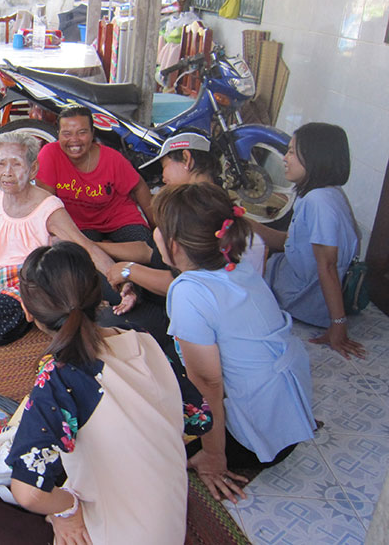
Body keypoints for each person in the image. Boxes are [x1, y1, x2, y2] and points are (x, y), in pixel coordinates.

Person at [0, 241, 187, 545]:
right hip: (165, 527)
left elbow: (29, 491)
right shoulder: (141, 339)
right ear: (98, 295)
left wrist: (68, 510)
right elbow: (198, 419)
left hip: (110, 533)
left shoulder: (60, 376)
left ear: (26, 310)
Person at [154, 182, 315, 503]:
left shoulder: (189, 291)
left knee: (147, 386)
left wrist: (215, 457)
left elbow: (207, 381)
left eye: (157, 229)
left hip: (249, 442)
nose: (154, 234)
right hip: (288, 422)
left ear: (174, 245)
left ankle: (210, 451)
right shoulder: (236, 264)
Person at [0, 131, 133, 346]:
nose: (8, 173)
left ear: (33, 169)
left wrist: (122, 281)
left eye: (17, 164)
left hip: (30, 283)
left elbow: (85, 246)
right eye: (1, 164)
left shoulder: (48, 206)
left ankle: (33, 314)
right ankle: (5, 312)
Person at [107, 130, 264, 299]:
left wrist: (128, 270)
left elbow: (187, 281)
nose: (163, 178)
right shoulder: (211, 206)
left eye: (164, 166)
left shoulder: (201, 214)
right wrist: (93, 245)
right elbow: (150, 251)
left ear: (186, 158)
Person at [252, 123, 363, 359]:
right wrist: (246, 223)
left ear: (314, 157)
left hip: (298, 294)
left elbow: (328, 266)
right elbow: (288, 243)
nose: (285, 158)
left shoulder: (318, 202)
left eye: (292, 152)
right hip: (290, 271)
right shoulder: (325, 193)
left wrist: (338, 324)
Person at [36, 107, 155, 244]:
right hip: (78, 225)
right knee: (77, 255)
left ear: (92, 134)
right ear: (59, 134)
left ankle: (102, 248)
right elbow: (46, 202)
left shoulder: (111, 158)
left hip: (118, 219)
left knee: (146, 246)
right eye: (67, 134)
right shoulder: (50, 154)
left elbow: (139, 186)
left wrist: (156, 229)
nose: (74, 140)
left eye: (82, 133)